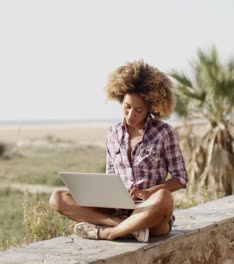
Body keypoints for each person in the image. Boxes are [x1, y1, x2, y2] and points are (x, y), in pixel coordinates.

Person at [49, 60, 188, 242]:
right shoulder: (112, 133)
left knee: (164, 197)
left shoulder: (164, 133)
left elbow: (181, 178)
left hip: (148, 211)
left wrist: (150, 192)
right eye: (127, 107)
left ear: (150, 108)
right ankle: (122, 225)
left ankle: (108, 233)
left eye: (139, 110)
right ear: (120, 100)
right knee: (57, 198)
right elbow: (110, 175)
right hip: (116, 208)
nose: (131, 115)